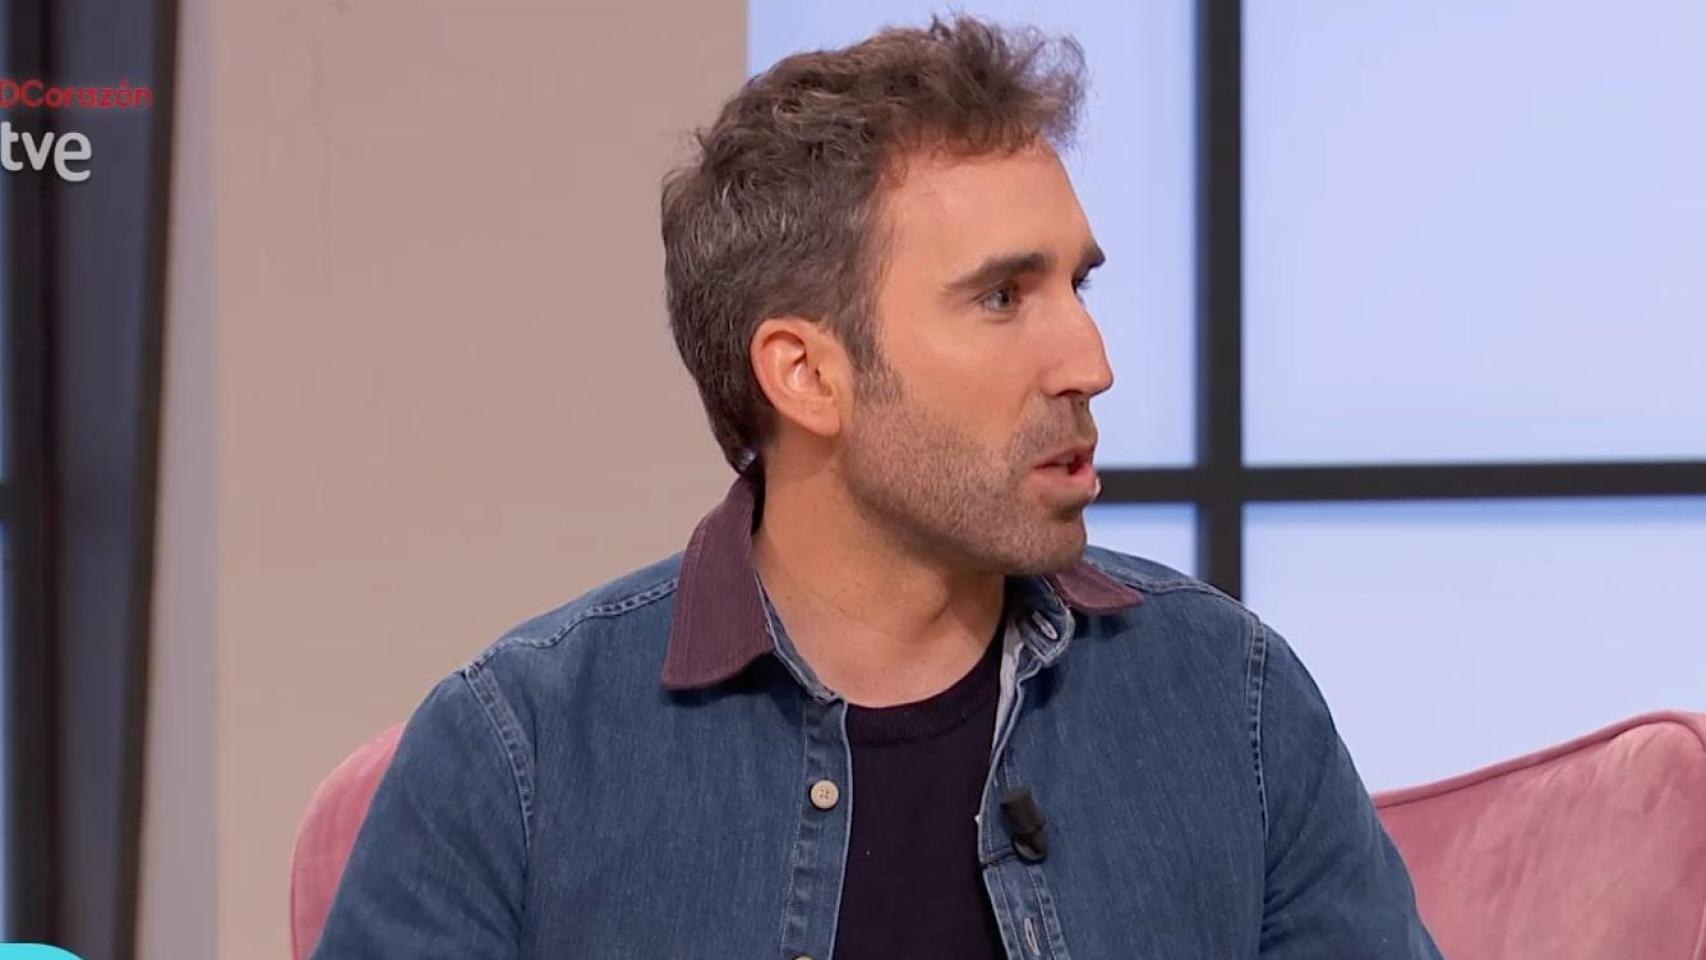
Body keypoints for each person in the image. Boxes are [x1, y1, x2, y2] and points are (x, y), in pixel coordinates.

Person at [312, 15, 1442, 959]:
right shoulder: (516, 757)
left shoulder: (1228, 699)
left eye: (1077, 286)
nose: (1089, 362)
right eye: (1001, 298)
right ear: (806, 374)